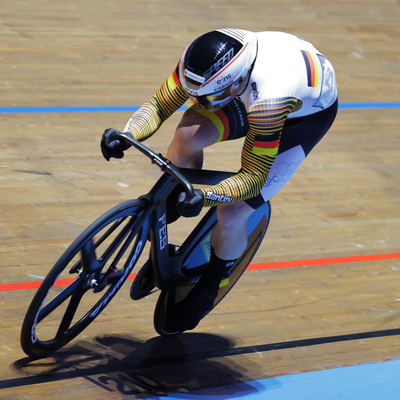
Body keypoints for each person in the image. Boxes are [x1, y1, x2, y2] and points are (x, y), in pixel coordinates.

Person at [101, 28, 338, 333]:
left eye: (210, 98)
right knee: (186, 136)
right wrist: (127, 133)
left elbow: (252, 178)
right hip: (252, 87)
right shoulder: (201, 61)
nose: (203, 103)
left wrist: (207, 197)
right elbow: (160, 106)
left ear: (236, 82)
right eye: (196, 94)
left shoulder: (269, 100)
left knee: (234, 212)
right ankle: (169, 214)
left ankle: (210, 286)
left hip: (301, 116)